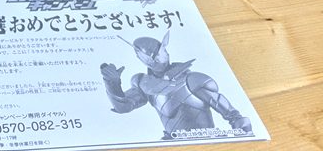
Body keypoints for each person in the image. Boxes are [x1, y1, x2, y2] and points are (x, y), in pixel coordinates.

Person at [100, 32, 252, 140]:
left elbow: (231, 114)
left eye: (164, 50)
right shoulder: (144, 84)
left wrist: (242, 131)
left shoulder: (191, 79)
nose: (165, 54)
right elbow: (123, 106)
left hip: (204, 141)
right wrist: (112, 83)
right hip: (172, 142)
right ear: (148, 60)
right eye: (160, 52)